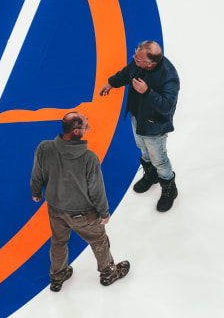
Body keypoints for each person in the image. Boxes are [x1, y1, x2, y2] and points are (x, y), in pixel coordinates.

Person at [30, 112, 130, 292]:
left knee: (59, 241)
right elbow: (96, 189)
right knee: (99, 240)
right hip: (82, 213)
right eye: (85, 125)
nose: (87, 126)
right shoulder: (88, 158)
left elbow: (37, 174)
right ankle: (108, 272)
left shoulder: (44, 148)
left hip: (54, 208)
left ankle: (57, 276)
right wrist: (104, 212)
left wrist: (36, 193)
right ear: (76, 131)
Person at [99, 40, 180, 212]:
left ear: (150, 63)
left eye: (138, 57)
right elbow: (127, 72)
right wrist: (111, 82)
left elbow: (166, 107)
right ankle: (151, 175)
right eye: (136, 53)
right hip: (138, 117)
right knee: (142, 149)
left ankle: (169, 188)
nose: (134, 57)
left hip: (155, 126)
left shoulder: (169, 77)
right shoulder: (139, 63)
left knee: (160, 159)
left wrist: (147, 92)